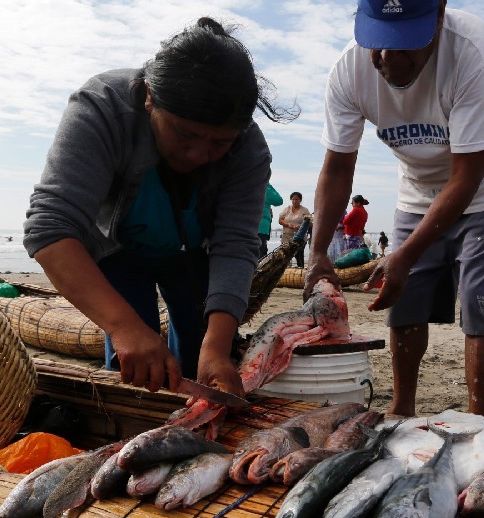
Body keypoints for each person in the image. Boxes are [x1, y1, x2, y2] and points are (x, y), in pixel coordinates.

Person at [23, 18, 297, 397]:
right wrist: (124, 328)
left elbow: (235, 244)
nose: (199, 154)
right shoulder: (102, 107)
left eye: (219, 143)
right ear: (150, 96)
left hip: (194, 255)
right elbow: (50, 227)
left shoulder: (248, 147)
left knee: (202, 354)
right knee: (137, 362)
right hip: (116, 250)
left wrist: (217, 347)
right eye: (185, 134)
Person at [304, 0, 484, 418]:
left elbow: (466, 176)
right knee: (403, 302)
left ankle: (480, 420)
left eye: (405, 45)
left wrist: (405, 253)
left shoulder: (475, 54)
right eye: (379, 43)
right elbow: (336, 169)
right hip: (418, 189)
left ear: (439, 15)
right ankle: (402, 409)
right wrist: (317, 253)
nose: (389, 60)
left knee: (481, 309)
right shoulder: (349, 72)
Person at [278, 192, 312, 267]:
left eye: (296, 199)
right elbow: (280, 220)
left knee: (299, 256)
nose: (294, 201)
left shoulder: (304, 210)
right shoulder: (287, 209)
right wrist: (288, 224)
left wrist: (301, 226)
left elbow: (309, 223)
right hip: (286, 236)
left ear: (300, 200)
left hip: (300, 237)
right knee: (285, 256)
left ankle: (301, 271)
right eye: (293, 199)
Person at [258, 183, 283, 259]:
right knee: (260, 255)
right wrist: (268, 185)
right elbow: (279, 200)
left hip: (244, 227)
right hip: (261, 228)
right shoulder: (264, 187)